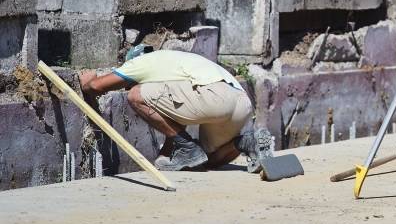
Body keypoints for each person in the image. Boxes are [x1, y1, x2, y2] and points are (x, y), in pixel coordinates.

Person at [79, 45, 273, 172]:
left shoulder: (141, 62)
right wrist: (165, 157)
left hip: (213, 95)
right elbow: (176, 126)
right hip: (241, 102)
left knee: (136, 95)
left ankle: (188, 148)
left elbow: (97, 87)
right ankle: (246, 141)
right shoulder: (177, 63)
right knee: (206, 160)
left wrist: (88, 82)